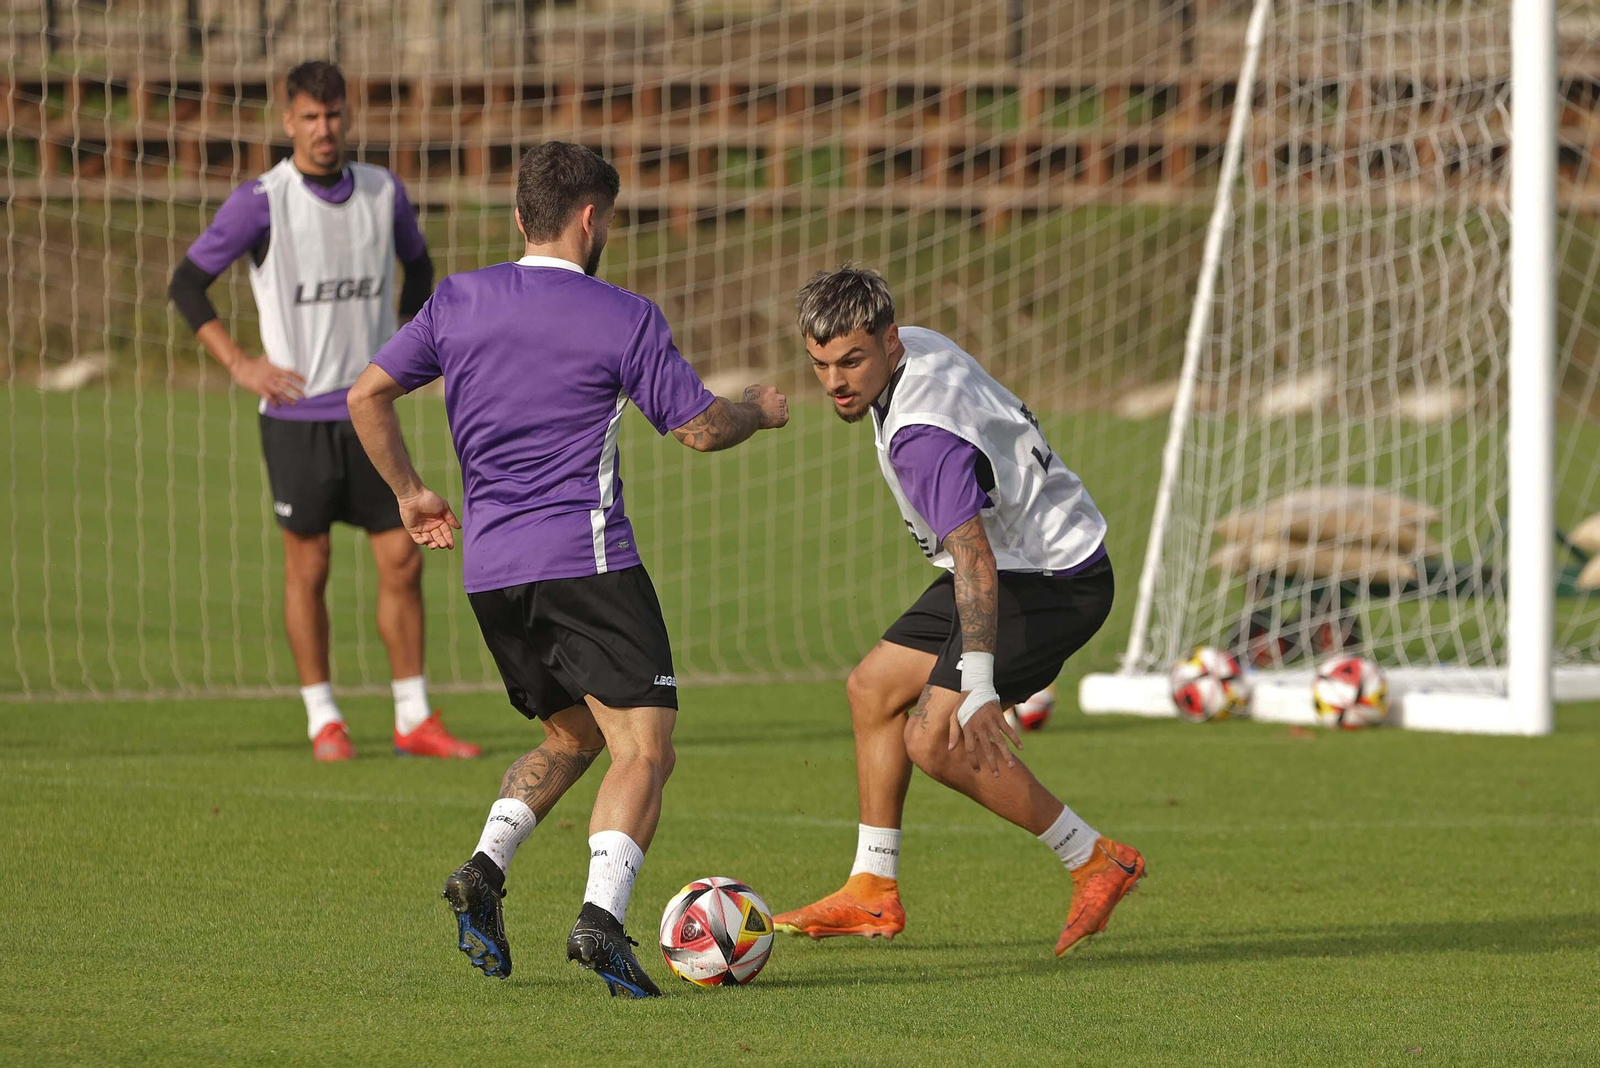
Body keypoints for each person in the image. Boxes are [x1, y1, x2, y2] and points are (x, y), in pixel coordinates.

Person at [347, 141, 789, 997]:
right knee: (646, 748)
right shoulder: (622, 315)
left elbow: (366, 395)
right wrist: (761, 412)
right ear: (593, 219)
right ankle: (602, 921)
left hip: (491, 576)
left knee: (573, 735)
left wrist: (409, 492)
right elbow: (698, 427)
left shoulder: (457, 300)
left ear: (520, 217)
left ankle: (484, 867)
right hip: (586, 563)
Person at [773, 264, 1143, 957]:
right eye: (819, 363)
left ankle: (1096, 860)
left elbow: (974, 558)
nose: (835, 382)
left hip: (1054, 577)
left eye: (852, 360)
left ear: (889, 343)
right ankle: (872, 890)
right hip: (1017, 554)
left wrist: (978, 687)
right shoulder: (917, 344)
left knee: (935, 739)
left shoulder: (923, 441)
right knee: (873, 689)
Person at [167, 59, 477, 762]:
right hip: (297, 420)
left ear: (348, 116)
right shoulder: (261, 201)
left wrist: (404, 347)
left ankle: (413, 715)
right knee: (309, 567)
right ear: (288, 122)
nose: (323, 129)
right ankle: (324, 719)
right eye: (309, 117)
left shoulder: (382, 191)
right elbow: (187, 285)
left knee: (403, 559)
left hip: (370, 414)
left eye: (333, 115)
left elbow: (420, 269)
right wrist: (242, 364)